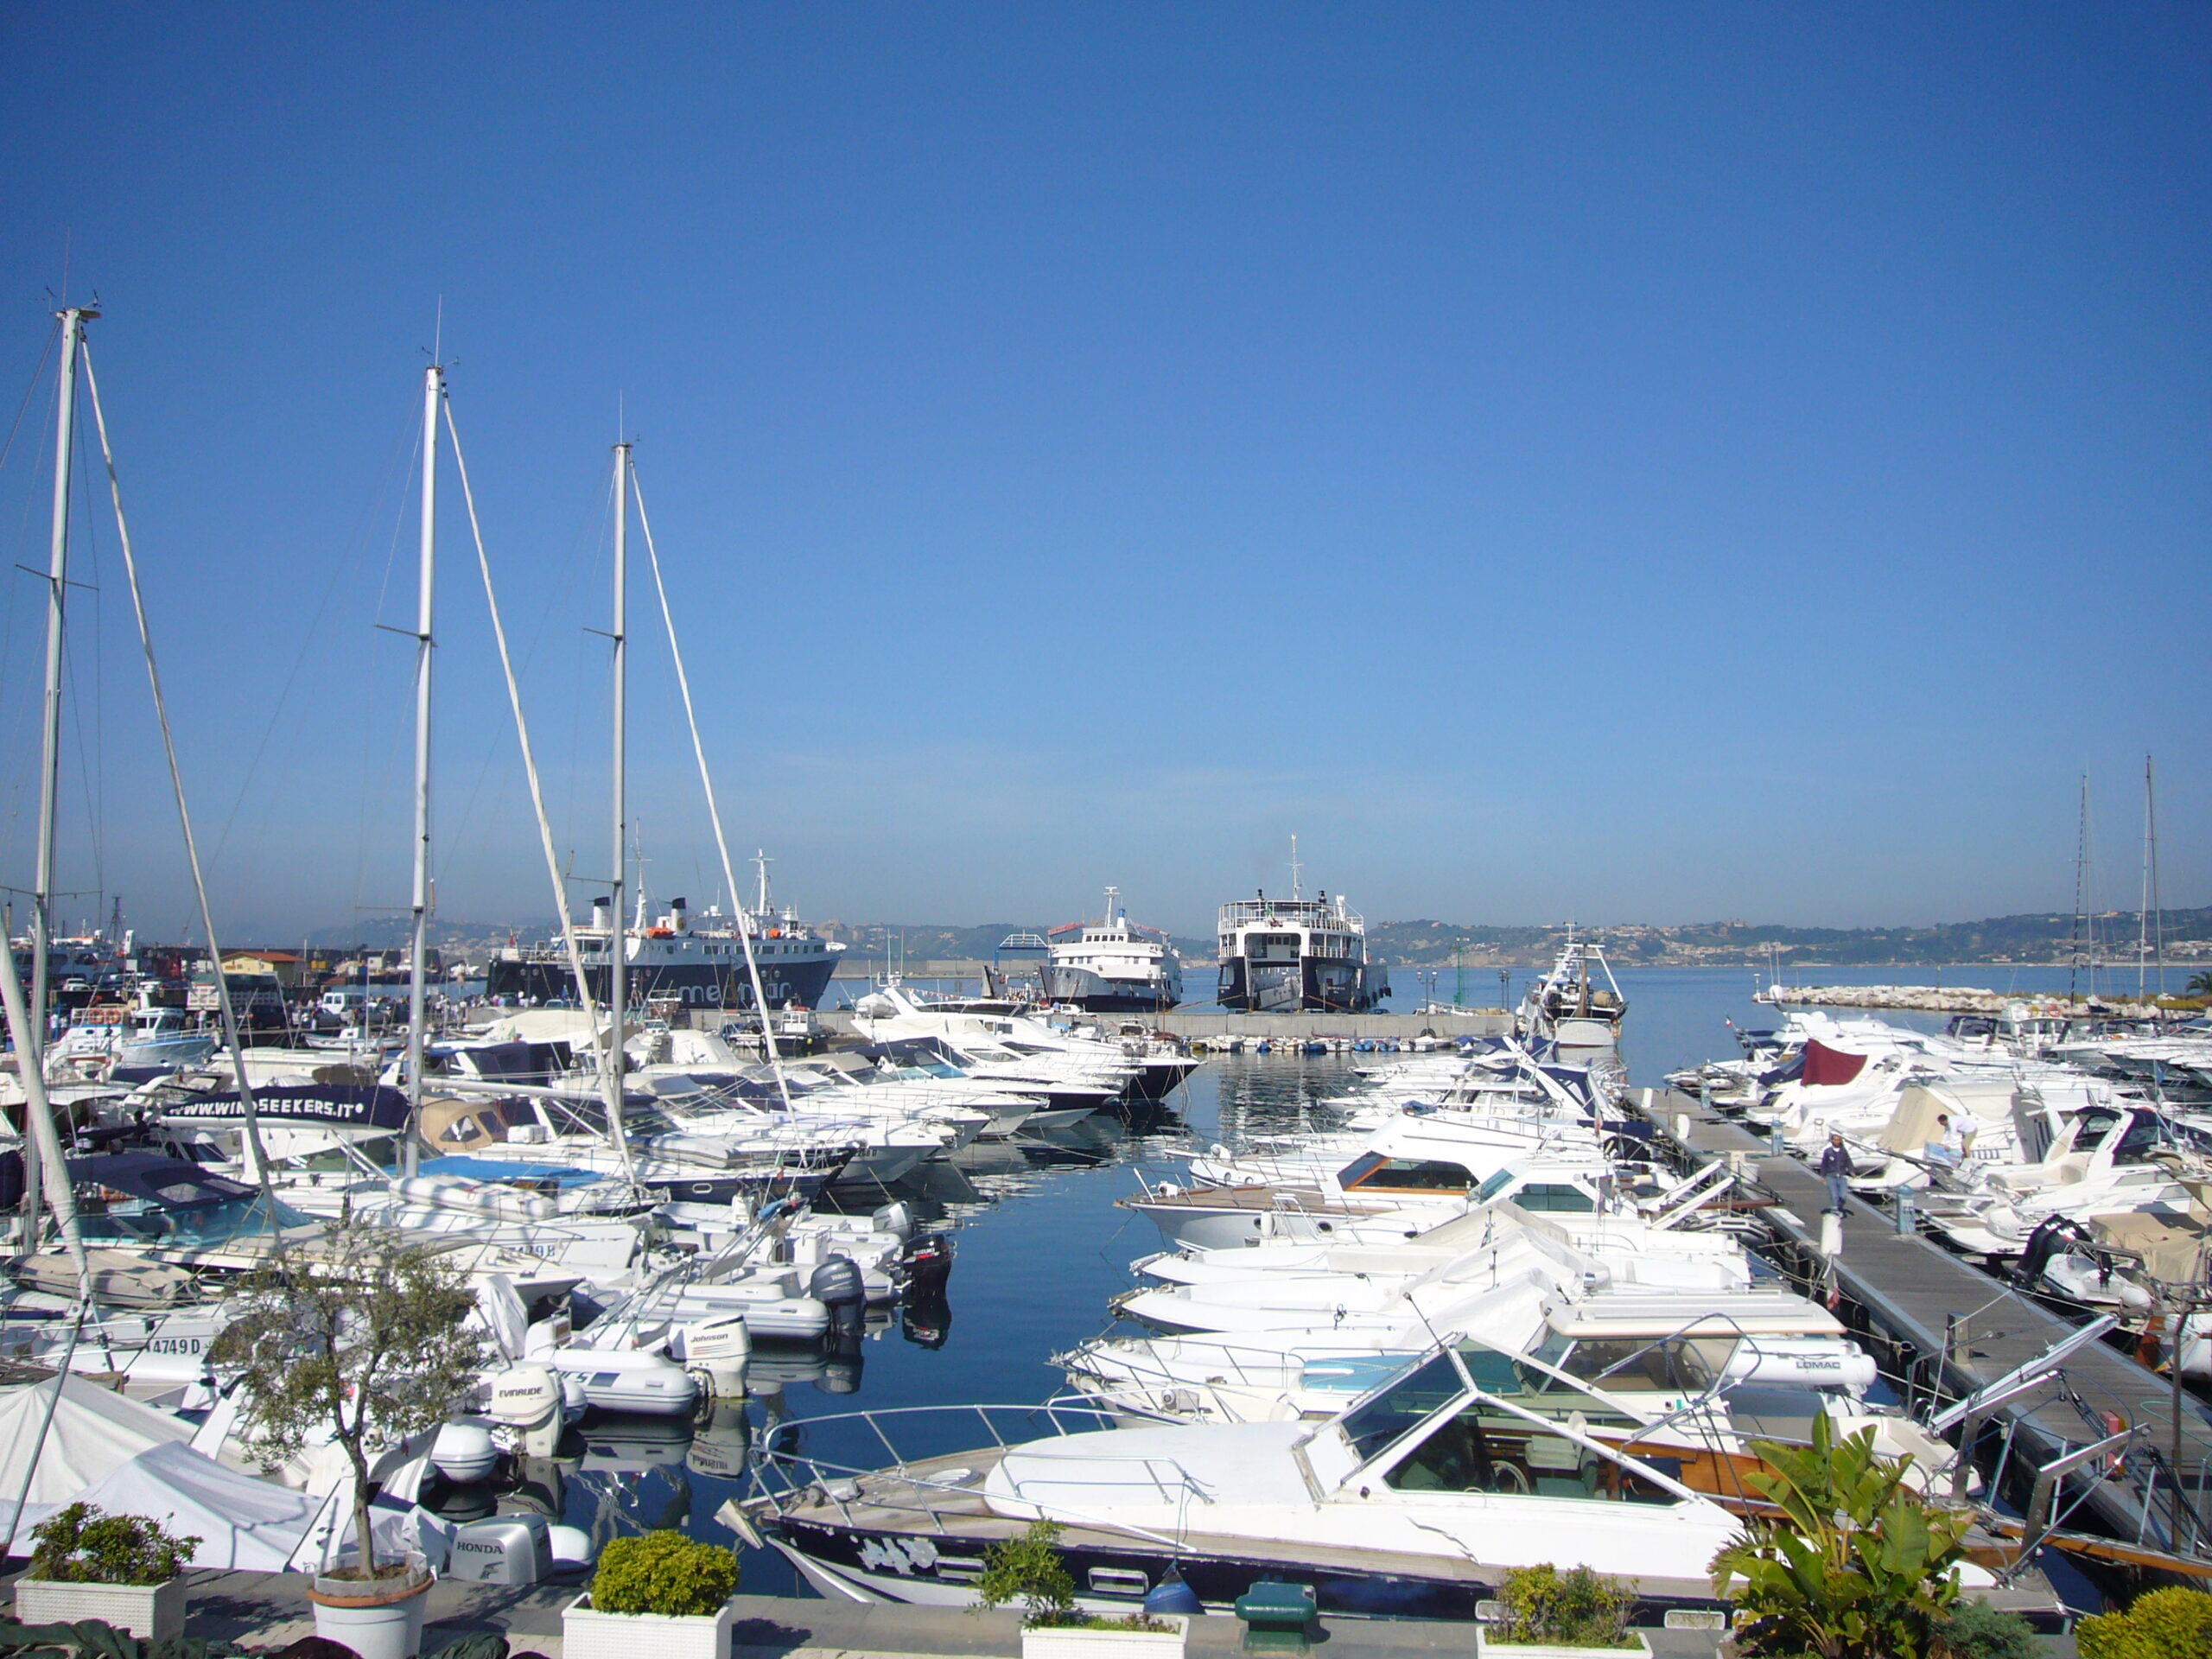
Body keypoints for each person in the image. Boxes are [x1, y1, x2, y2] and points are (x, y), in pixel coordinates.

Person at [1817, 1131, 1853, 1214]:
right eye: (1835, 1140)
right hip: (1831, 1176)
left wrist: (1851, 1171)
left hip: (1842, 1176)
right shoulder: (1828, 1152)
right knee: (1834, 1195)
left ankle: (1839, 1206)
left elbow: (1848, 1161)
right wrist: (1823, 1176)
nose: (1837, 1142)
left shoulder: (1843, 1151)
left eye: (1838, 1140)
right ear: (1832, 1141)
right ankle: (1834, 1210)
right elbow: (1824, 1164)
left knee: (1843, 1196)